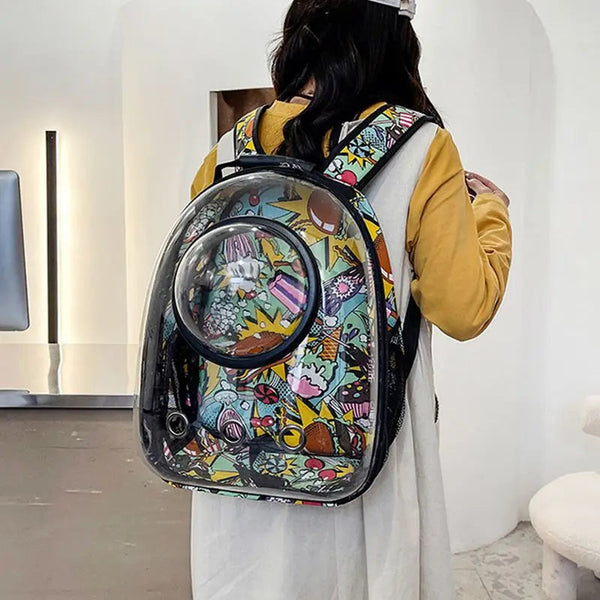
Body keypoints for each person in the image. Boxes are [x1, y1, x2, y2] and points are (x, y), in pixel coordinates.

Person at [189, 1, 512, 598]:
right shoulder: (420, 147)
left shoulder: (231, 147)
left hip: (239, 451)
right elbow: (463, 309)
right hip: (364, 458)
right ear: (392, 37)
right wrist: (490, 212)